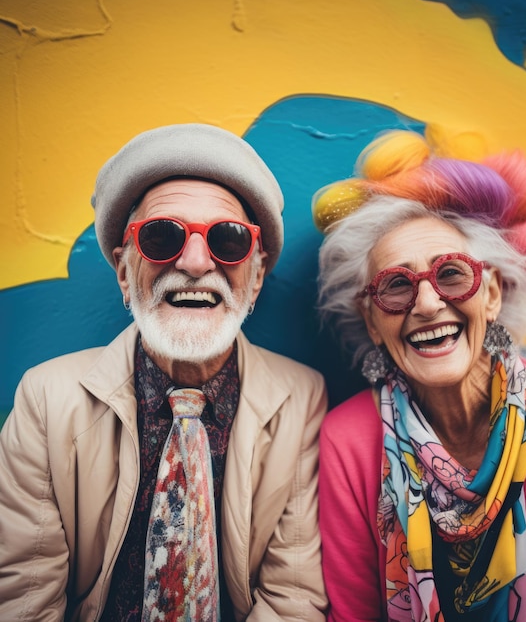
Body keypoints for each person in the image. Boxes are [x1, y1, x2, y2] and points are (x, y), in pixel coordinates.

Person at [0, 123, 328, 621]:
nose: (196, 262)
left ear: (256, 275)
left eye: (229, 239)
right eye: (161, 236)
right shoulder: (45, 399)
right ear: (124, 272)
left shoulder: (303, 398)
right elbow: (23, 598)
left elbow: (293, 598)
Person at [312, 130, 526, 622]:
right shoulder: (348, 440)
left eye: (452, 274)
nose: (428, 303)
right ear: (373, 321)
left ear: (493, 295)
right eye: (396, 286)